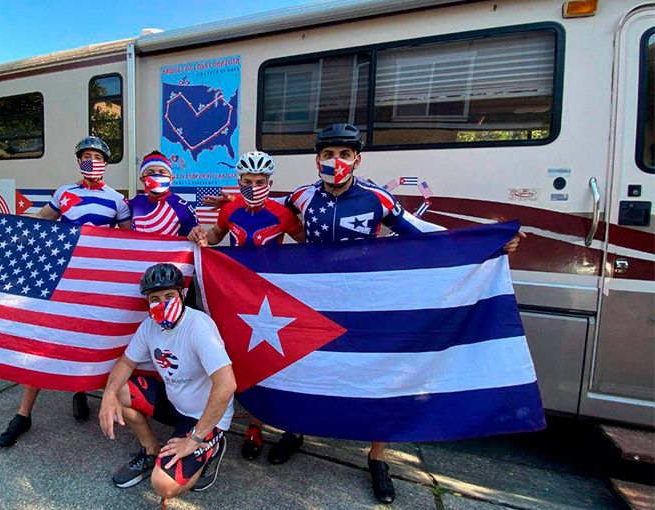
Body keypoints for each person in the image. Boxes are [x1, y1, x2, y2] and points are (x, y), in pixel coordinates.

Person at [201, 124, 524, 504]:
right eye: (327, 154)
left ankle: (377, 458)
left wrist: (486, 242)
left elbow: (421, 233)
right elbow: (267, 214)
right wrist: (221, 215)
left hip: (367, 300)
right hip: (312, 300)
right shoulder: (302, 197)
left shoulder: (377, 198)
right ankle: (295, 431)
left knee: (379, 372)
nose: (335, 161)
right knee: (303, 367)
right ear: (317, 160)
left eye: (344, 153)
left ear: (357, 159)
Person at [0, 135, 133, 448]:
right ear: (79, 160)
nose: (92, 162)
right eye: (86, 156)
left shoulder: (116, 200)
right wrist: (9, 227)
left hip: (95, 283)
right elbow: (41, 223)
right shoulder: (64, 193)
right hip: (61, 279)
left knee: (87, 338)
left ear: (106, 164)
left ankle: (79, 388)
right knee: (44, 344)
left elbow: (130, 243)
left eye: (97, 157)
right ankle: (23, 415)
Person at [188, 150, 305, 463]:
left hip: (274, 297)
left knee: (276, 359)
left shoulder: (283, 213)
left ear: (270, 181)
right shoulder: (231, 209)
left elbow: (309, 245)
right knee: (246, 357)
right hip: (239, 296)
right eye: (248, 180)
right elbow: (214, 236)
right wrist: (199, 234)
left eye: (261, 181)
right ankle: (255, 424)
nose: (254, 185)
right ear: (239, 181)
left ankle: (288, 426)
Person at [99, 263, 236, 500]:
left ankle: (211, 445)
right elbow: (125, 364)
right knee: (117, 391)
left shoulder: (199, 327)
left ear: (182, 295)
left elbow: (227, 385)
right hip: (175, 403)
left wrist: (195, 438)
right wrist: (107, 396)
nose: (162, 303)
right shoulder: (149, 326)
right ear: (147, 301)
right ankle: (151, 450)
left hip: (205, 417)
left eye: (169, 296)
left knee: (164, 485)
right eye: (155, 298)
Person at [128, 151, 199, 237]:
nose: (157, 175)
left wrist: (197, 235)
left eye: (162, 172)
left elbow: (195, 236)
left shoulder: (183, 207)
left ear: (171, 179)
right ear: (142, 180)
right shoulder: (136, 202)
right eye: (150, 173)